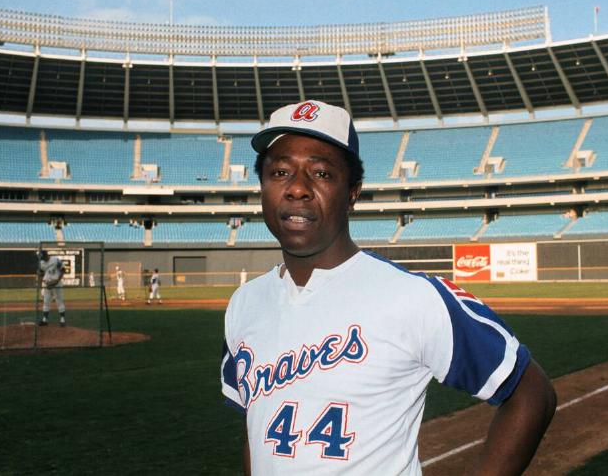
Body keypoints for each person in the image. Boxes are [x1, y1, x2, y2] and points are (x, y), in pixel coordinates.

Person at [220, 100, 556, 475]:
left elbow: (532, 394)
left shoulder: (412, 296)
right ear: (262, 187)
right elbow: (256, 430)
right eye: (280, 172)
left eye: (322, 173)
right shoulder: (244, 304)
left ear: (353, 192)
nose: (297, 188)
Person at [38, 250, 66, 327]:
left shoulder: (55, 260)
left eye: (43, 257)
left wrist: (57, 281)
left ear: (46, 255)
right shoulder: (41, 263)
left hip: (57, 284)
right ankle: (45, 320)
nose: (42, 259)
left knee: (59, 301)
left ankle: (62, 320)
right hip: (47, 284)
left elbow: (63, 270)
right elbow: (41, 273)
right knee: (46, 301)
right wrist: (41, 277)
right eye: (41, 258)